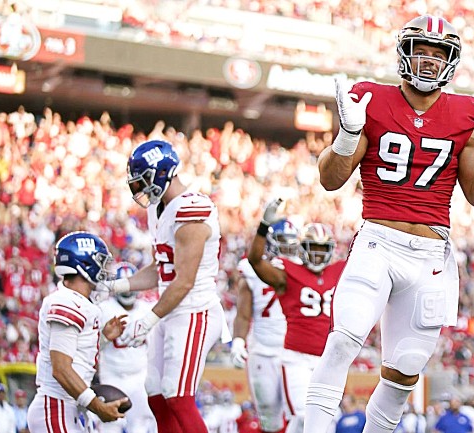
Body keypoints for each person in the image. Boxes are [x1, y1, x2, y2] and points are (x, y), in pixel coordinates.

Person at [304, 14, 474, 433]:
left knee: (404, 371)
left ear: (451, 61)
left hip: (429, 256)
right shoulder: (371, 98)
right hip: (378, 242)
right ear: (403, 53)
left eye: (437, 53)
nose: (428, 61)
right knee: (344, 338)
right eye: (421, 50)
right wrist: (348, 134)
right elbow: (331, 179)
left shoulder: (467, 111)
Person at [102, 139, 231, 433]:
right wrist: (115, 286)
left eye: (143, 181)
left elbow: (184, 281)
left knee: (177, 394)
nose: (140, 191)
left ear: (161, 173)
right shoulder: (159, 209)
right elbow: (160, 269)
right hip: (172, 308)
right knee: (156, 394)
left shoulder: (192, 208)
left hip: (194, 310)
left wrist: (148, 320)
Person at [249, 203, 346, 433]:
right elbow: (255, 261)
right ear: (302, 248)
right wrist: (263, 227)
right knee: (304, 415)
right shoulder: (287, 272)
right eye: (313, 247)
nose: (318, 254)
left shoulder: (340, 271)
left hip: (329, 359)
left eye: (323, 249)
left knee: (324, 421)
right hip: (297, 358)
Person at [27, 231, 128, 433]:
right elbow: (61, 369)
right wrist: (97, 406)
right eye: (100, 262)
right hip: (56, 406)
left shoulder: (78, 302)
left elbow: (74, 355)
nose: (104, 269)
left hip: (69, 407)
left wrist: (103, 338)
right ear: (84, 265)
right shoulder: (67, 301)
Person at [231, 219, 299, 433]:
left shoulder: (302, 268)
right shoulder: (251, 270)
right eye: (281, 241)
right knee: (269, 416)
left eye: (290, 242)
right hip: (263, 350)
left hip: (295, 351)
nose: (287, 248)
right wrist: (239, 341)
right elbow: (243, 314)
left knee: (299, 412)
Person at [97, 262, 157, 433]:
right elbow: (93, 344)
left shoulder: (147, 308)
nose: (128, 291)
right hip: (112, 375)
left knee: (142, 424)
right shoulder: (104, 309)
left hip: (140, 374)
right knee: (110, 424)